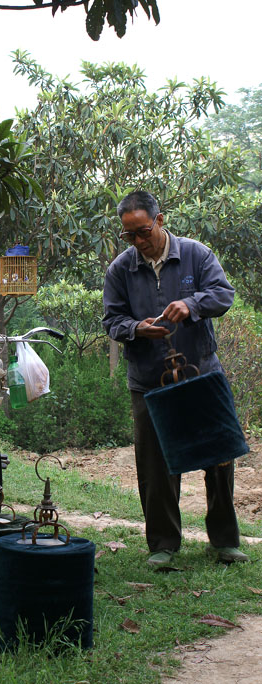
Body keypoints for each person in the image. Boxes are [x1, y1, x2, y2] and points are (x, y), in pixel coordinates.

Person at [102, 190, 248, 567]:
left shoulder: (196, 255)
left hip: (201, 372)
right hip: (149, 380)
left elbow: (223, 294)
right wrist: (136, 328)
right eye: (129, 235)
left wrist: (191, 304)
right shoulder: (120, 269)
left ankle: (225, 542)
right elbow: (112, 321)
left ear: (160, 220)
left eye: (143, 231)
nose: (138, 241)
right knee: (154, 464)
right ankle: (164, 545)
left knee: (218, 457)